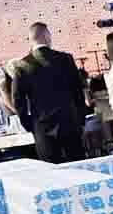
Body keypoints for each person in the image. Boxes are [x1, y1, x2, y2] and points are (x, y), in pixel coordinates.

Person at [7, 22, 89, 163]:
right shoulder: (65, 59)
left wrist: (29, 124)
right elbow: (78, 92)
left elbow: (18, 100)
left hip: (42, 127)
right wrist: (81, 119)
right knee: (78, 165)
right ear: (46, 36)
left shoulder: (22, 66)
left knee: (51, 170)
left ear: (31, 39)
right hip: (69, 123)